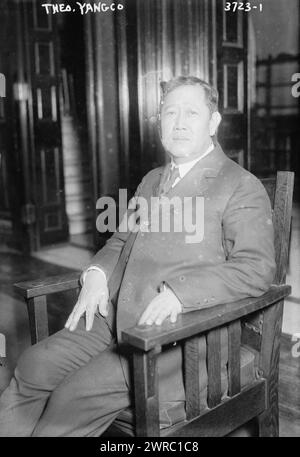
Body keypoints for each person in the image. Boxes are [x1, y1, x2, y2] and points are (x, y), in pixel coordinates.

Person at [0, 76, 276, 436]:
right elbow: (119, 241)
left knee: (73, 396)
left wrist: (181, 292)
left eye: (191, 113)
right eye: (168, 112)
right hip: (117, 320)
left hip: (183, 341)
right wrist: (97, 273)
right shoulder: (152, 180)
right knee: (32, 367)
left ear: (213, 122)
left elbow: (257, 269)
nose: (177, 123)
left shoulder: (240, 185)